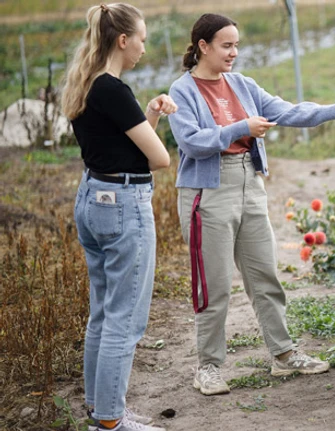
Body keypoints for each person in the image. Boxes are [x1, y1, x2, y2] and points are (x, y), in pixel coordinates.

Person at [168, 13, 335, 396]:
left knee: (265, 276)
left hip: (251, 183)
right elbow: (191, 142)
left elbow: (287, 111)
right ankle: (208, 368)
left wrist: (332, 110)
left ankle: (283, 355)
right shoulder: (182, 91)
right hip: (208, 193)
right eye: (227, 45)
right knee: (214, 287)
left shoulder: (242, 84)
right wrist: (242, 128)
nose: (235, 53)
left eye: (237, 45)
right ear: (203, 47)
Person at [62, 3, 177, 430]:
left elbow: (120, 149)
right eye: (142, 40)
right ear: (123, 40)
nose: (144, 49)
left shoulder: (88, 84)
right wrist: (152, 124)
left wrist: (149, 116)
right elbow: (160, 158)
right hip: (123, 206)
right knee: (125, 319)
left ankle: (100, 410)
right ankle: (110, 422)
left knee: (104, 312)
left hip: (93, 197)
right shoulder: (114, 89)